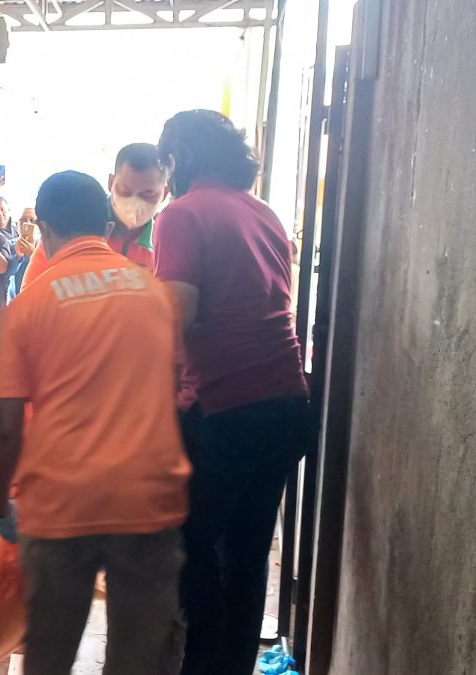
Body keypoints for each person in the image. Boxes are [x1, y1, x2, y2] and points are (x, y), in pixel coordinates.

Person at [0, 171, 191, 675]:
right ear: (106, 224)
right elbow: (172, 392)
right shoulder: (155, 295)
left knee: (49, 655)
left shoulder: (27, 307)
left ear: (43, 227)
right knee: (139, 659)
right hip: (147, 499)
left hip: (61, 502)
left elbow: (6, 427)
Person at [153, 110, 312, 675]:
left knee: (195, 553)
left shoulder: (182, 215)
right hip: (287, 407)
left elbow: (175, 318)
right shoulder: (264, 213)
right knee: (246, 553)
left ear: (178, 158)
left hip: (226, 409)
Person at [19, 143, 169, 288]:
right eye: (125, 190)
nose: (134, 202)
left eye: (148, 194)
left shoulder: (166, 245)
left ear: (164, 194)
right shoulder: (75, 224)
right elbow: (30, 290)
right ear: (111, 182)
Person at [0, 196, 28, 312]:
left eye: (3, 210)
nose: (0, 214)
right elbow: (6, 270)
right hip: (5, 286)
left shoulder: (17, 229)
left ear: (8, 209)